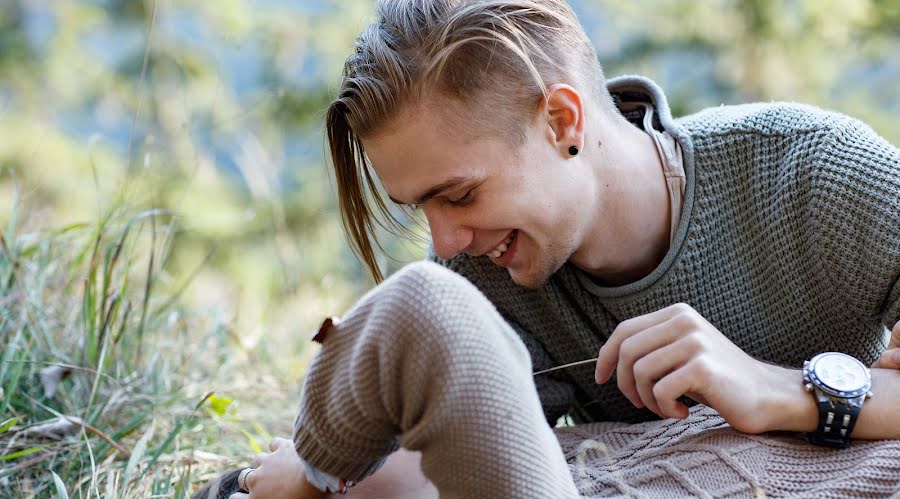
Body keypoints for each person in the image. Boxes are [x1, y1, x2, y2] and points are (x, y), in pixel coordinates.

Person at [326, 0, 900, 431]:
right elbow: (446, 471)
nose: (446, 243)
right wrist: (317, 477)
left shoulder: (815, 169)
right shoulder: (478, 280)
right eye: (422, 206)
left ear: (560, 121)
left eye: (459, 195)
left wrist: (772, 391)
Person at [172, 262, 900, 499]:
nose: (371, 434)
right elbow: (426, 309)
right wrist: (310, 477)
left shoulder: (568, 473)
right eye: (328, 453)